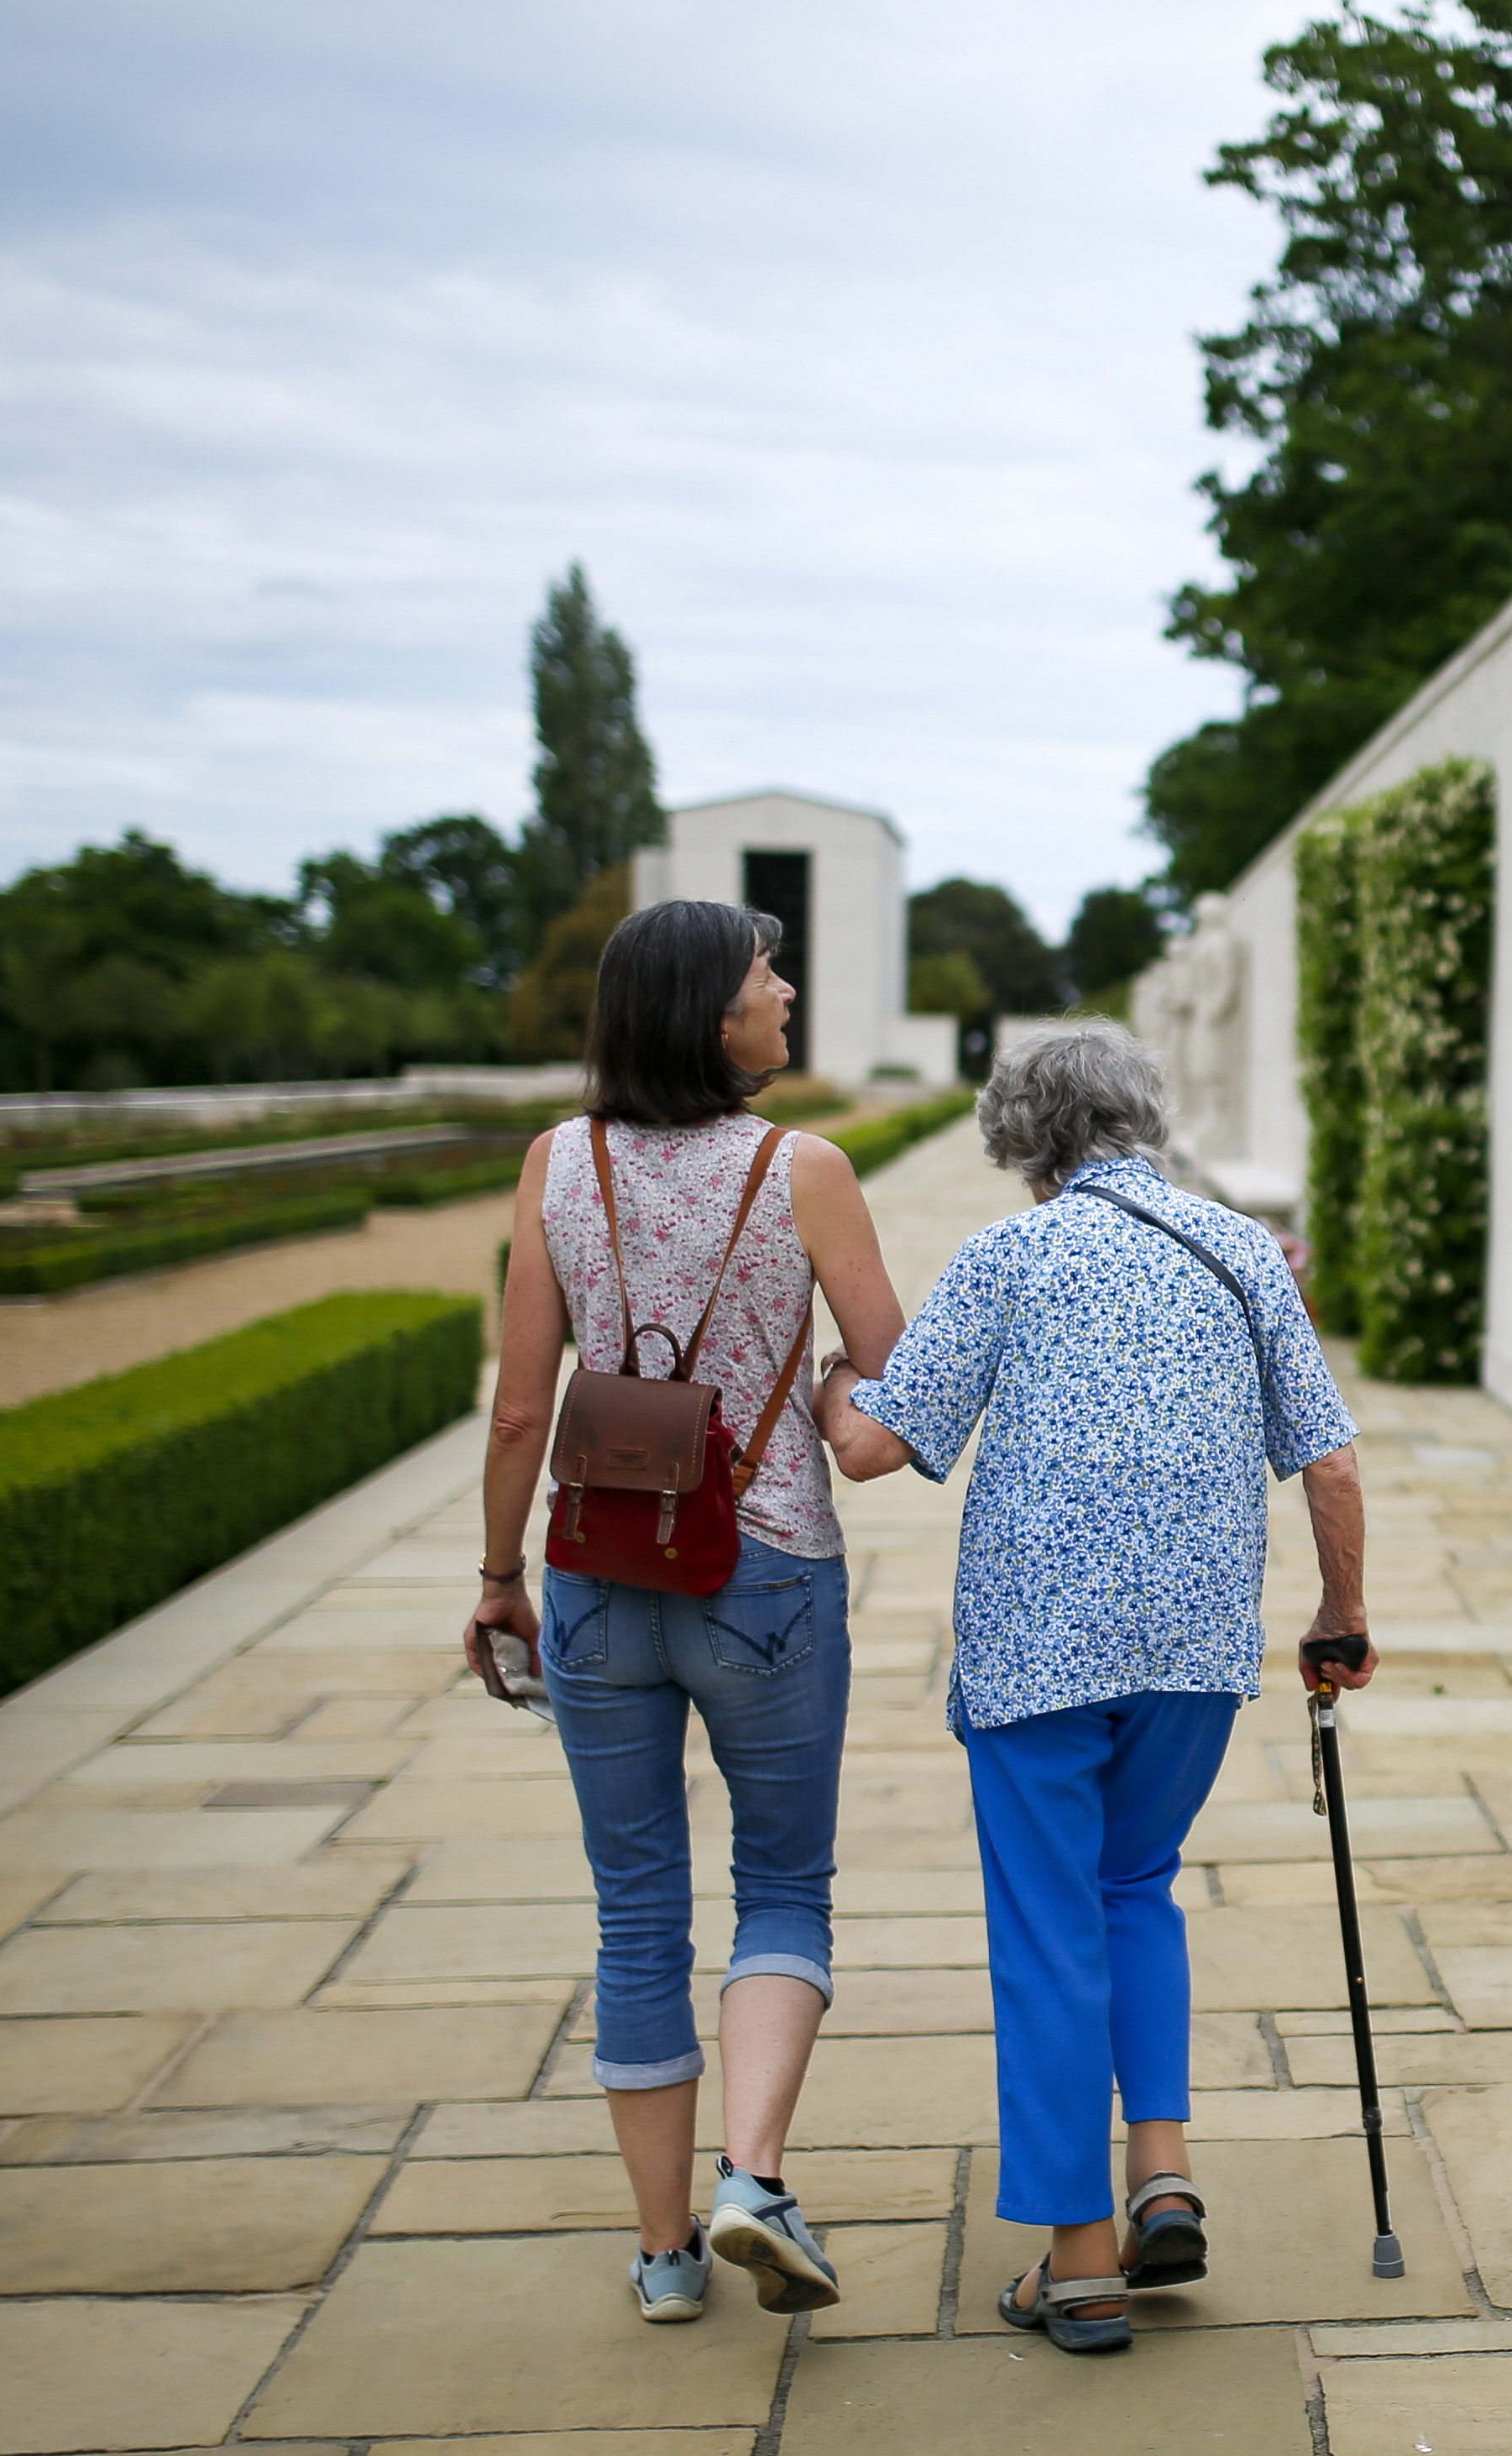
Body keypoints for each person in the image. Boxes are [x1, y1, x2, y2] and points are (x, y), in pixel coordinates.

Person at [817, 1024, 1370, 2352]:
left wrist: (840, 1379)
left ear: (1025, 1140)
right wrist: (1339, 1614)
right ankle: (1161, 2170)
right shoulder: (1240, 1250)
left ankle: (1077, 2267)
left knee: (1048, 1926)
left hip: (1034, 1651)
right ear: (1146, 1118)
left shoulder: (1011, 1253)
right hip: (1193, 1647)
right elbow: (1333, 1466)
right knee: (1138, 1889)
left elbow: (877, 1450)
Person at [465, 898, 910, 2325]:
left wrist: (498, 1579)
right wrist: (833, 1384)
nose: (785, 991)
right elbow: (892, 1382)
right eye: (765, 973)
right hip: (766, 1565)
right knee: (783, 1889)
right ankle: (753, 2180)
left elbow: (523, 1401)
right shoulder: (806, 1169)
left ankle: (665, 2259)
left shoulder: (557, 1162)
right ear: (712, 1014)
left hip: (598, 1572)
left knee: (635, 1910)